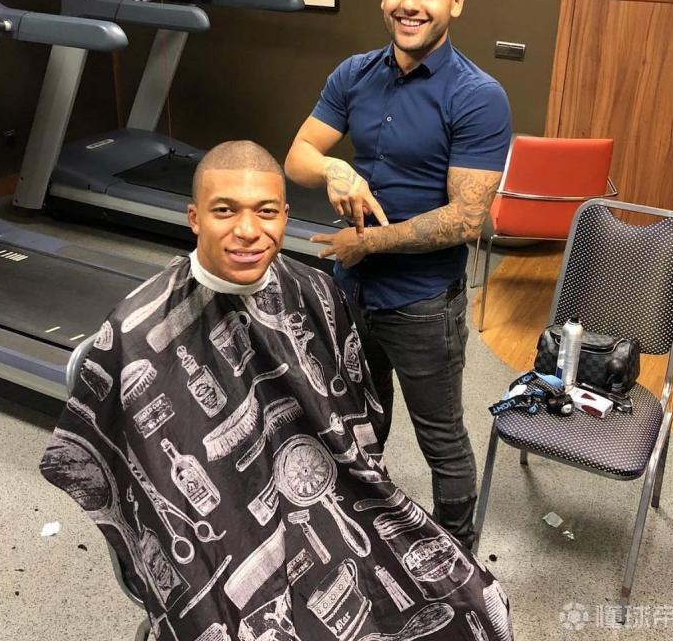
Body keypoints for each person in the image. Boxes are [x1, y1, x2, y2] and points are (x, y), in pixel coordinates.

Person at [40, 141, 513, 640]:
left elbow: (358, 424)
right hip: (221, 543)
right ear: (195, 217)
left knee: (476, 607)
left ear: (285, 216)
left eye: (265, 212)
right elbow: (121, 475)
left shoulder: (316, 291)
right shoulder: (135, 332)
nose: (248, 230)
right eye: (225, 211)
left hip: (333, 503)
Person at [285, 0, 512, 549]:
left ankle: (460, 563)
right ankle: (366, 533)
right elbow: (298, 155)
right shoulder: (354, 74)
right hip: (350, 293)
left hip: (422, 305)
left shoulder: (477, 97)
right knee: (358, 419)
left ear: (455, 1)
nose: (410, 4)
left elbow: (465, 219)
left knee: (441, 439)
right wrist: (333, 168)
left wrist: (367, 245)